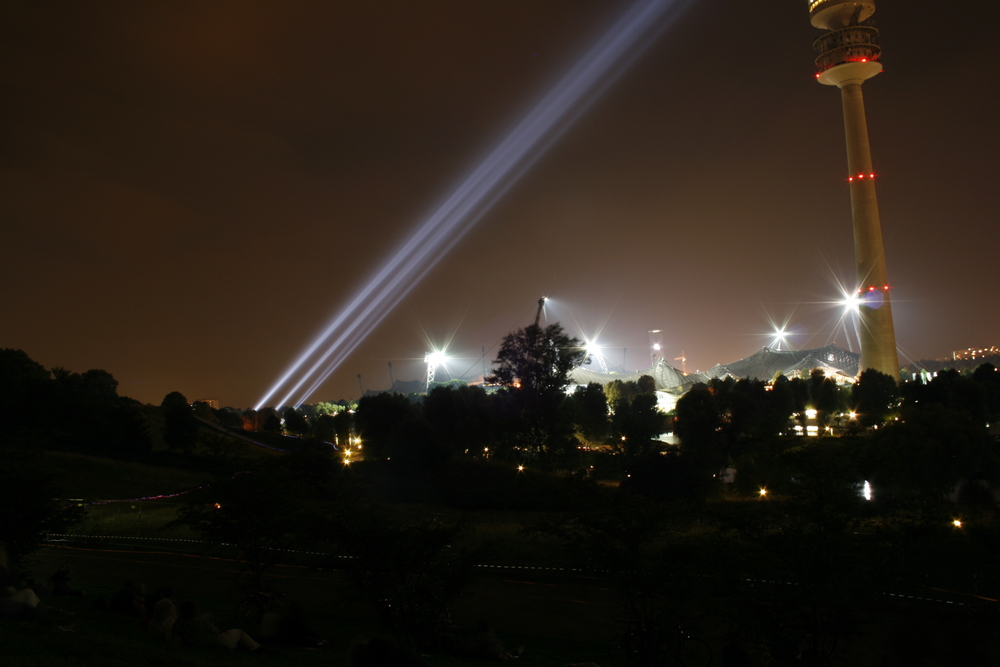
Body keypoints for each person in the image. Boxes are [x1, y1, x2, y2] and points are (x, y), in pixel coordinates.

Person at [173, 600, 263, 652]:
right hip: (216, 642)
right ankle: (256, 647)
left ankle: (240, 646)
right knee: (239, 632)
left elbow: (175, 636)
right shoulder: (200, 623)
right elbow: (216, 631)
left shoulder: (179, 623)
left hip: (200, 644)